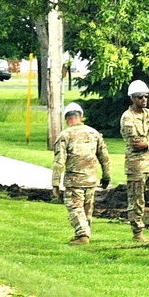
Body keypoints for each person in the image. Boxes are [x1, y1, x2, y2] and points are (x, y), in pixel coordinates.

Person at [52, 102, 111, 245]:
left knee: (75, 207)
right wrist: (106, 176)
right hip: (91, 179)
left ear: (67, 119)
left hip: (74, 180)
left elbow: (60, 161)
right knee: (86, 209)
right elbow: (104, 157)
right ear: (81, 116)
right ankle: (82, 235)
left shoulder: (65, 135)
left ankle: (83, 235)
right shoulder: (94, 133)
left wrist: (55, 183)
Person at [120, 80, 149, 241]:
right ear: (132, 98)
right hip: (137, 165)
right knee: (137, 199)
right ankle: (137, 232)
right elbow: (135, 141)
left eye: (145, 96)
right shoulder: (127, 117)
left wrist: (148, 143)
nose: (144, 99)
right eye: (140, 97)